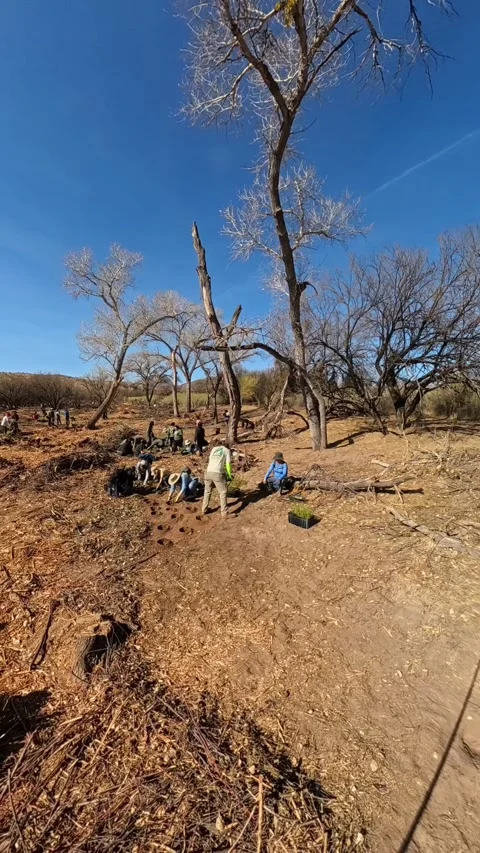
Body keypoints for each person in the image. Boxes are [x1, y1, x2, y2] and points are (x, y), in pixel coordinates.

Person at [202, 439, 232, 517]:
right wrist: (229, 475)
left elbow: (210, 460)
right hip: (217, 473)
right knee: (223, 492)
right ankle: (224, 512)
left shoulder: (214, 449)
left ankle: (204, 509)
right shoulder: (226, 450)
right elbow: (228, 464)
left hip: (208, 472)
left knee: (207, 491)